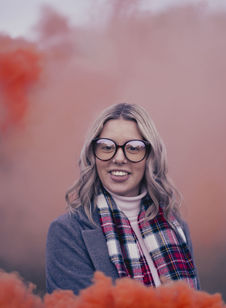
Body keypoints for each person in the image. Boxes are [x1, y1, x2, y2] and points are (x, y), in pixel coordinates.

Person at [46, 103, 200, 294]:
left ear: (150, 156)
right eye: (106, 147)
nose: (118, 158)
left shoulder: (176, 225)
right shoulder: (68, 232)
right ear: (93, 155)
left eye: (134, 148)